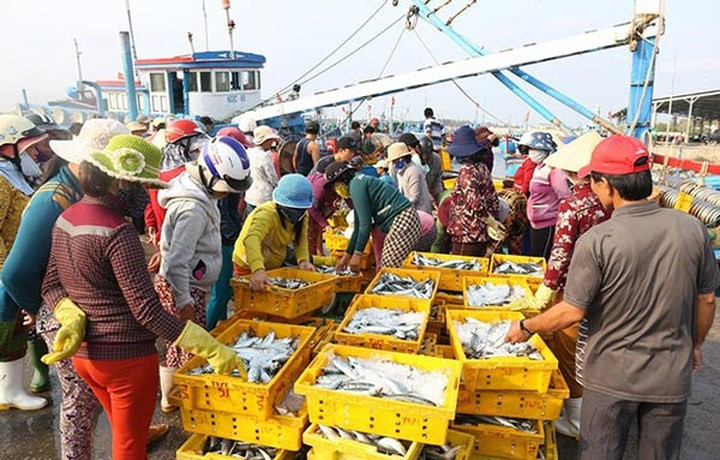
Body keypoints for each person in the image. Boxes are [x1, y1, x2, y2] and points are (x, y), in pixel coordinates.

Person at [505, 135, 719, 459]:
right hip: (670, 375)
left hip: (610, 378)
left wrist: (527, 324)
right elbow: (706, 301)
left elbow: (572, 311)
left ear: (608, 185)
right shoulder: (692, 230)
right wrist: (696, 345)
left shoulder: (597, 240)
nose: (591, 187)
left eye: (593, 180)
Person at [41, 134, 244, 460]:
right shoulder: (118, 233)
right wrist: (209, 346)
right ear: (119, 181)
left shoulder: (66, 218)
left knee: (124, 431)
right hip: (126, 360)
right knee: (128, 447)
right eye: (139, 185)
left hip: (85, 358)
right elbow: (147, 310)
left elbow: (50, 284)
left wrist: (69, 314)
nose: (143, 195)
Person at [2, 119, 169, 456]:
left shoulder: (82, 194)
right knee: (78, 402)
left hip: (80, 301)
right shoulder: (55, 199)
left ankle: (131, 429)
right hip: (65, 310)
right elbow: (15, 271)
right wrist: (45, 311)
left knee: (104, 394)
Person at [508, 131, 609, 438]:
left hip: (576, 287)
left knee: (569, 350)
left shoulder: (575, 202)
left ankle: (577, 420)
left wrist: (546, 289)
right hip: (612, 286)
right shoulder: (614, 199)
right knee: (597, 349)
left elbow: (561, 251)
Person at [155, 136, 252, 412]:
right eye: (225, 188)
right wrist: (183, 301)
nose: (226, 194)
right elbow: (176, 263)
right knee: (182, 346)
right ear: (209, 174)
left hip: (190, 283)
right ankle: (175, 398)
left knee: (179, 345)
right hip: (185, 287)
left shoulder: (201, 192)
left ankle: (173, 397)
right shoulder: (193, 208)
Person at [0, 114, 50, 411]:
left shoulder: (13, 176)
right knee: (7, 330)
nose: (35, 154)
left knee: (16, 329)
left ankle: (11, 390)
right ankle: (9, 391)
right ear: (10, 148)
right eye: (31, 149)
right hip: (7, 272)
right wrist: (6, 273)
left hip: (15, 270)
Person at [328, 162, 421, 271]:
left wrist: (358, 254)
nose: (337, 191)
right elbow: (358, 227)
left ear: (341, 180)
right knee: (390, 266)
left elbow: (365, 225)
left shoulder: (356, 185)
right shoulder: (358, 182)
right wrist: (346, 257)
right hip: (407, 219)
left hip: (403, 220)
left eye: (336, 186)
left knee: (387, 268)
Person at [233, 174, 316, 290]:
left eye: (300, 209)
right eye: (292, 209)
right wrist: (258, 270)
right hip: (249, 264)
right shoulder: (267, 214)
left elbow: (300, 239)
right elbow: (252, 239)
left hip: (273, 264)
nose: (297, 213)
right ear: (281, 204)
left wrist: (303, 260)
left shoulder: (303, 216)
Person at [144, 118, 209, 249]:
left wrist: (151, 223)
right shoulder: (190, 176)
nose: (199, 152)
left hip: (165, 238)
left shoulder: (158, 170)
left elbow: (151, 202)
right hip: (187, 243)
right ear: (183, 145)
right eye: (196, 148)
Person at [446, 126, 503, 257]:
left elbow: (475, 203)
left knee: (460, 272)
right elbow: (493, 198)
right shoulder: (482, 167)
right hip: (481, 234)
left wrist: (490, 221)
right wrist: (492, 220)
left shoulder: (467, 171)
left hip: (466, 234)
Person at [525, 132, 570, 258]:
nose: (531, 152)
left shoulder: (554, 171)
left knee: (542, 258)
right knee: (535, 256)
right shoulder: (538, 168)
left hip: (548, 223)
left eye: (535, 149)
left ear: (546, 150)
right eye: (530, 149)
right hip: (535, 222)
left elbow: (565, 196)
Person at [307, 162, 352, 256]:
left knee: (319, 230)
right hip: (309, 207)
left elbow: (347, 198)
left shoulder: (341, 186)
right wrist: (325, 224)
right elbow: (312, 209)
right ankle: (311, 258)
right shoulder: (319, 189)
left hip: (323, 205)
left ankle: (320, 252)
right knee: (311, 233)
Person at [387, 142, 433, 214]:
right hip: (410, 209)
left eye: (395, 161)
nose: (394, 164)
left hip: (420, 211)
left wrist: (399, 207)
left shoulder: (413, 171)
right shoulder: (400, 172)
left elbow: (414, 197)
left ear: (402, 159)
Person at [245, 125, 280, 215]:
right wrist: (278, 188)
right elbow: (272, 177)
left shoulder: (248, 152)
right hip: (264, 197)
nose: (272, 142)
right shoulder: (265, 156)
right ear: (265, 141)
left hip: (250, 194)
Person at [418, 136, 443, 203]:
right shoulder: (416, 161)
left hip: (432, 192)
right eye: (423, 153)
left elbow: (438, 178)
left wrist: (438, 193)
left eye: (427, 153)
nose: (425, 157)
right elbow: (420, 184)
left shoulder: (437, 159)